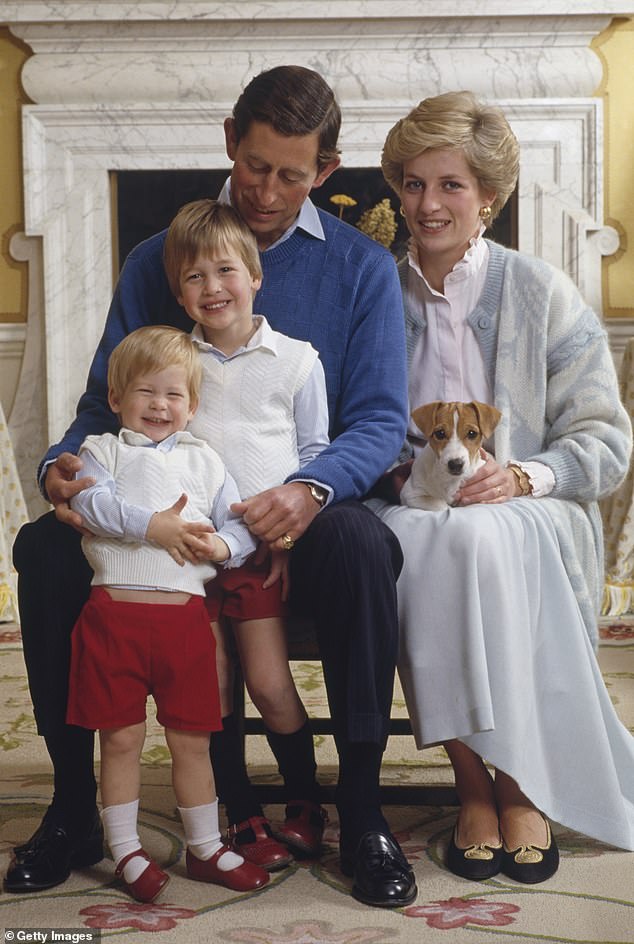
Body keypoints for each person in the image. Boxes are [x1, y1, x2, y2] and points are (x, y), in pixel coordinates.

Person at [8, 65, 414, 908]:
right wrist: (61, 463)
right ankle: (77, 807)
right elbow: (102, 400)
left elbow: (377, 422)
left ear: (325, 172)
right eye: (255, 164)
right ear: (230, 140)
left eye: (290, 174)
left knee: (366, 543)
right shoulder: (162, 258)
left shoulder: (361, 269)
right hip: (174, 508)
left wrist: (310, 490)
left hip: (308, 503)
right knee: (43, 547)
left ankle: (361, 807)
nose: (266, 190)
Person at [366, 90, 634, 884]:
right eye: (414, 183)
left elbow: (607, 444)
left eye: (451, 185)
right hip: (416, 508)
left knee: (476, 534)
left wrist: (521, 474)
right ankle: (474, 781)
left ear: (489, 196)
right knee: (425, 536)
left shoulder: (542, 291)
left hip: (532, 511)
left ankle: (519, 784)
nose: (428, 204)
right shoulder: (375, 290)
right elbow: (349, 425)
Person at [66, 325, 269, 901]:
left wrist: (223, 548)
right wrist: (154, 525)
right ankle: (125, 848)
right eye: (145, 393)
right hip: (115, 620)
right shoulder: (99, 452)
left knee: (192, 740)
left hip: (184, 625)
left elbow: (239, 524)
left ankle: (205, 847)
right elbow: (93, 503)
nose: (159, 405)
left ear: (193, 405)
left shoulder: (206, 460)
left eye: (173, 395)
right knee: (122, 740)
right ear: (116, 400)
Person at [163, 198, 330, 871]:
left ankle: (305, 800)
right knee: (215, 682)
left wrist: (291, 538)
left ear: (256, 275)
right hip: (192, 556)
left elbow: (317, 453)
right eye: (194, 278)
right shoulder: (177, 363)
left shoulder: (295, 361)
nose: (213, 289)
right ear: (179, 292)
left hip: (262, 552)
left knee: (268, 682)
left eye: (225, 271)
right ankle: (243, 812)